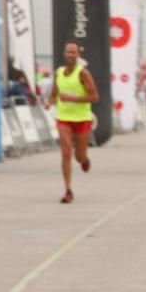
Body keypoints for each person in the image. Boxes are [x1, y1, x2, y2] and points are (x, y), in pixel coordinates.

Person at [49, 41, 98, 204]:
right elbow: (54, 93)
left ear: (78, 55)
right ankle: (68, 190)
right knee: (66, 152)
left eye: (73, 52)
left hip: (82, 119)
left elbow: (94, 97)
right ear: (64, 54)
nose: (70, 55)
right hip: (63, 118)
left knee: (78, 156)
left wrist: (72, 99)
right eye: (68, 52)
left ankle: (84, 159)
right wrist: (49, 101)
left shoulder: (83, 73)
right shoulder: (59, 73)